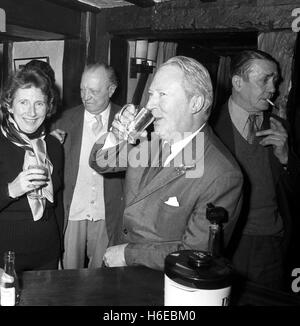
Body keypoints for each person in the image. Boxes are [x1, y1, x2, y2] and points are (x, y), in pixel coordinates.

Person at [89, 56, 243, 270]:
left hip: (160, 284)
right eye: (151, 95)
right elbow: (100, 162)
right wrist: (116, 135)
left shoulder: (221, 174)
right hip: (117, 270)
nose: (150, 105)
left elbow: (199, 254)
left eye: (162, 95)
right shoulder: (151, 139)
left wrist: (128, 254)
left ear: (196, 103)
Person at [211, 50, 300, 290]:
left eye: (276, 80)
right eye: (265, 80)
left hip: (271, 243)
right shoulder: (207, 127)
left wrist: (285, 158)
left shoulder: (280, 127)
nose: (274, 88)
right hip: (226, 241)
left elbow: (295, 191)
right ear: (238, 83)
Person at [51, 62, 125, 269]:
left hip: (107, 213)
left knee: (102, 277)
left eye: (93, 91)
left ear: (111, 90)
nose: (86, 96)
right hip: (72, 212)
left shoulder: (127, 120)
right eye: (82, 90)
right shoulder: (62, 120)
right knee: (68, 277)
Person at [0, 67, 64, 272]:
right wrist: (11, 190)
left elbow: (57, 205)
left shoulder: (53, 147)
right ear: (9, 106)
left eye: (39, 103)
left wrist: (59, 250)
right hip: (4, 256)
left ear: (48, 107)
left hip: (47, 253)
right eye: (23, 102)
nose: (31, 112)